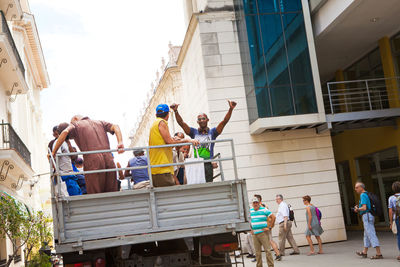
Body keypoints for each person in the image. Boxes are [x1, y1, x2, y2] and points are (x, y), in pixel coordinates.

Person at [52, 115, 124, 194]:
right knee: (111, 192)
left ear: (75, 119)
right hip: (109, 160)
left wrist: (53, 152)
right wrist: (120, 142)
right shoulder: (100, 122)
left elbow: (65, 132)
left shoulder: (76, 125)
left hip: (93, 162)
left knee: (95, 194)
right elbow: (115, 126)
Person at [171, 100, 237, 182]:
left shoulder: (212, 132)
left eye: (203, 118)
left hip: (208, 164)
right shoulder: (193, 132)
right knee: (198, 187)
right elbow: (181, 123)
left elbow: (224, 122)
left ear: (207, 120)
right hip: (197, 164)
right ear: (197, 122)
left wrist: (230, 109)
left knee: (208, 186)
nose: (202, 120)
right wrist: (176, 111)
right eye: (199, 119)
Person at [149, 104, 199, 187]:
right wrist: (187, 140)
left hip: (156, 168)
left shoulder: (154, 124)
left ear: (156, 114)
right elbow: (170, 142)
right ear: (168, 115)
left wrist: (177, 140)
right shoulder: (162, 122)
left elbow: (168, 142)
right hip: (162, 168)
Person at [353, 182, 383, 260]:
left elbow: (364, 208)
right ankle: (364, 252)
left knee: (371, 234)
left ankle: (379, 253)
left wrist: (357, 209)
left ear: (361, 188)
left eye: (357, 187)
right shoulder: (366, 194)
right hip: (369, 216)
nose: (355, 189)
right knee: (366, 235)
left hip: (366, 216)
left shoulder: (362, 195)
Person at [52, 123, 82, 196]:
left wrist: (69, 143)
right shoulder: (58, 142)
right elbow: (55, 157)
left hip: (70, 176)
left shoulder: (66, 143)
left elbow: (74, 157)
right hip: (65, 177)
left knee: (78, 195)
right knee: (75, 198)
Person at [250, 197, 275, 267]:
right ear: (252, 204)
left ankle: (271, 266)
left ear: (259, 203)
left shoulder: (264, 210)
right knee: (257, 253)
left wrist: (269, 227)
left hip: (263, 233)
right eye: (254, 203)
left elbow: (273, 217)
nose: (255, 204)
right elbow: (248, 220)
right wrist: (250, 229)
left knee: (268, 251)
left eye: (256, 202)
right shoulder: (250, 211)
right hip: (254, 234)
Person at [255, 194, 281, 261]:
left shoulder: (260, 207)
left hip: (265, 227)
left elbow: (270, 216)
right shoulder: (264, 205)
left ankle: (278, 254)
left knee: (270, 241)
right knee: (269, 240)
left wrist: (269, 227)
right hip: (266, 226)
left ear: (258, 200)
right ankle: (278, 254)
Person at [388, 181, 400, 261]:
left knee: (399, 236)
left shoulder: (391, 198)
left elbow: (390, 211)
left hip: (397, 218)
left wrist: (391, 222)